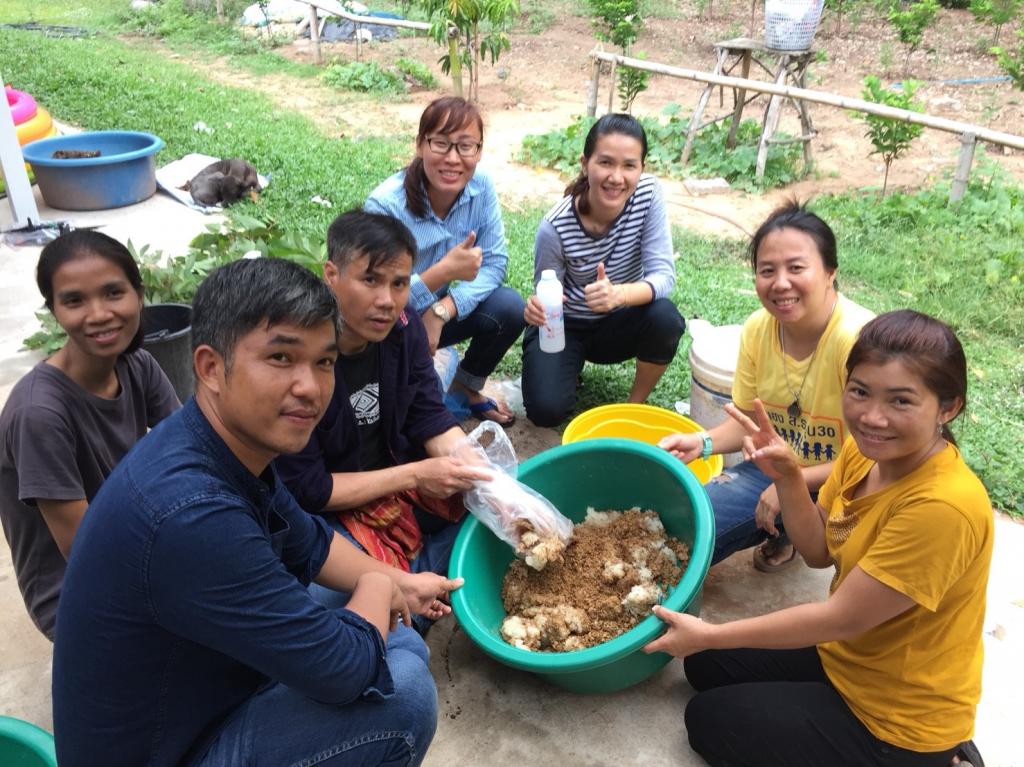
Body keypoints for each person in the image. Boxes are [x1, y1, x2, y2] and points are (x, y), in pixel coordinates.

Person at [53, 257, 461, 767]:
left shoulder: (221, 443)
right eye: (281, 357)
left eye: (324, 362)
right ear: (210, 367)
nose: (310, 387)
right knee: (403, 692)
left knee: (394, 635)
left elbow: (310, 541)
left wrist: (401, 581)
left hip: (202, 689)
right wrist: (381, 586)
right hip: (172, 750)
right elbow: (345, 671)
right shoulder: (190, 514)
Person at [646, 310, 992, 767]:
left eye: (901, 401)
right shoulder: (865, 454)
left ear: (948, 408)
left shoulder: (942, 507)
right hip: (850, 655)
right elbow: (818, 551)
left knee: (708, 720)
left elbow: (839, 618)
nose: (872, 417)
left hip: (895, 718)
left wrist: (711, 632)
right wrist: (789, 476)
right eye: (860, 391)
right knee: (704, 664)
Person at [276, 211, 489, 617]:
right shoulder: (301, 360)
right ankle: (420, 584)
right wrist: (415, 475)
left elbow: (429, 415)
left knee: (488, 507)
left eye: (399, 283)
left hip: (393, 480)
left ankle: (412, 586)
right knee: (324, 598)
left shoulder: (404, 330)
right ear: (331, 275)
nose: (386, 301)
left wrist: (482, 475)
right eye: (370, 280)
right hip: (331, 509)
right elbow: (310, 490)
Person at [659, 203, 874, 571]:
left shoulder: (858, 341)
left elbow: (874, 458)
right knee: (684, 531)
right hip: (777, 467)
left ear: (830, 272)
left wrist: (792, 484)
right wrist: (702, 443)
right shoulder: (759, 329)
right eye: (767, 270)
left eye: (796, 268)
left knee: (844, 552)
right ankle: (785, 529)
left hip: (847, 482)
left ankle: (796, 529)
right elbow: (747, 419)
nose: (781, 283)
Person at [0, 229, 179, 640]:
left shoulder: (138, 366)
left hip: (140, 542)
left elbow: (193, 453)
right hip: (77, 595)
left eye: (113, 293)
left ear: (139, 294)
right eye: (74, 301)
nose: (98, 314)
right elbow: (86, 552)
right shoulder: (39, 414)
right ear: (54, 310)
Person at [365, 95, 526, 425]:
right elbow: (374, 296)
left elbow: (495, 263)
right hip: (388, 322)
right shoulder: (386, 206)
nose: (453, 159)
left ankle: (466, 387)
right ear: (420, 145)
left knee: (509, 307)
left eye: (465, 146)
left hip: (436, 315)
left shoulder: (481, 188)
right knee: (411, 415)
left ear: (479, 151)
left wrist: (441, 311)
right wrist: (442, 273)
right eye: (440, 143)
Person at [520, 113, 685, 427]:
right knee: (545, 410)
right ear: (585, 164)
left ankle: (634, 406)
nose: (616, 177)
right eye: (605, 163)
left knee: (666, 318)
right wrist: (536, 308)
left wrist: (618, 295)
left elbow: (663, 275)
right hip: (565, 327)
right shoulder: (554, 227)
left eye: (629, 166)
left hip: (619, 321)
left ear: (642, 168)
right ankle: (567, 368)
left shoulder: (648, 195)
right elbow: (547, 291)